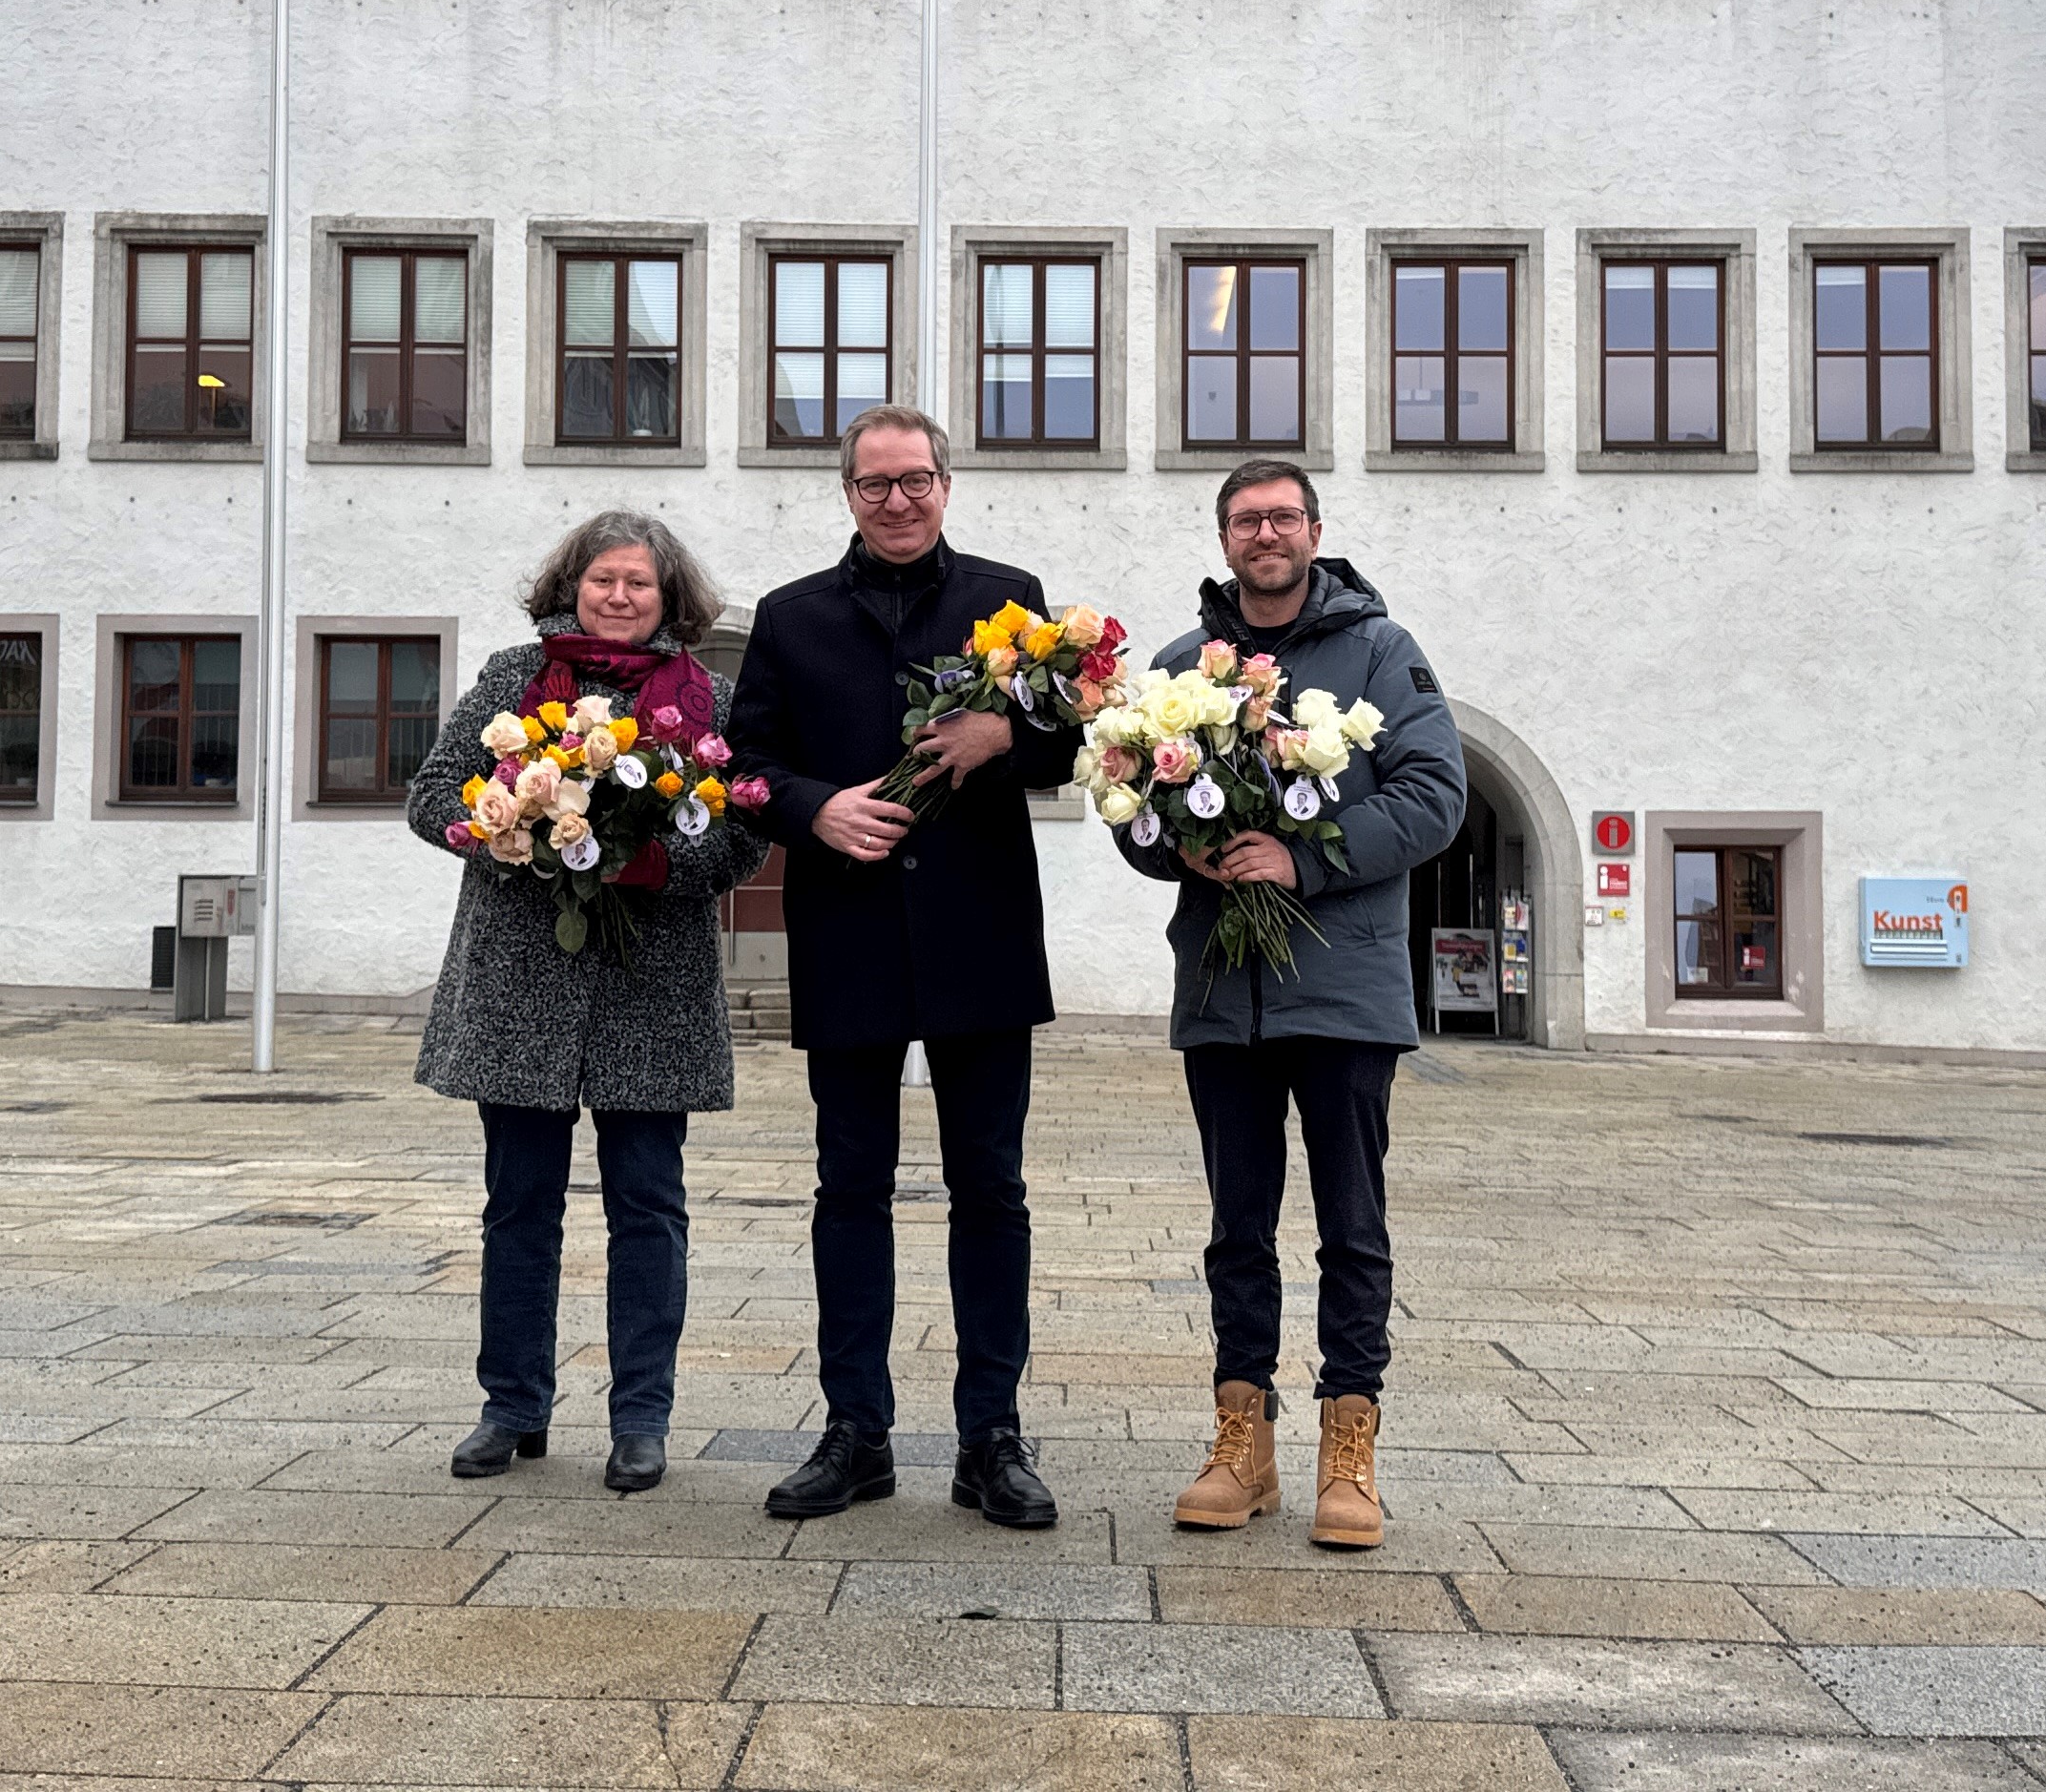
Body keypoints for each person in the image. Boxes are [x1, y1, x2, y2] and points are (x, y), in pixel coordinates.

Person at [729, 406, 1084, 1530]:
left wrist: (1005, 742)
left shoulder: (1009, 601)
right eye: (875, 484)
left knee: (992, 1189)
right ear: (847, 493)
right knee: (850, 1188)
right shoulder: (791, 619)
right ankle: (857, 1433)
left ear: (947, 484)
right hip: (848, 930)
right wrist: (814, 809)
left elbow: (1076, 736)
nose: (898, 500)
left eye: (916, 480)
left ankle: (992, 1439)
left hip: (979, 932)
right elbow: (747, 762)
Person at [1119, 461, 1465, 1552]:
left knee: (1353, 1229)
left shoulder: (1381, 650)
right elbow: (1137, 815)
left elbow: (1434, 795)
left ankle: (1348, 1447)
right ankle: (1244, 1441)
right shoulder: (1185, 669)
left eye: (1281, 516)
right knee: (1237, 1230)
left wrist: (1300, 863)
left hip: (1347, 989)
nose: (1264, 533)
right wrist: (1174, 840)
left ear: (1314, 530)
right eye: (1244, 519)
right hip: (1226, 990)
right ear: (1224, 539)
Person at [407, 512, 770, 1493]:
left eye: (638, 584)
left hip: (651, 990)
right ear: (571, 585)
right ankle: (511, 1407)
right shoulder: (511, 679)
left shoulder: (711, 698)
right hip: (522, 980)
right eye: (603, 580)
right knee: (518, 1208)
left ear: (669, 599)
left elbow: (742, 832)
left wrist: (653, 854)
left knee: (648, 1209)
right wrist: (512, 827)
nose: (619, 597)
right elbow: (433, 793)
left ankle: (641, 1419)